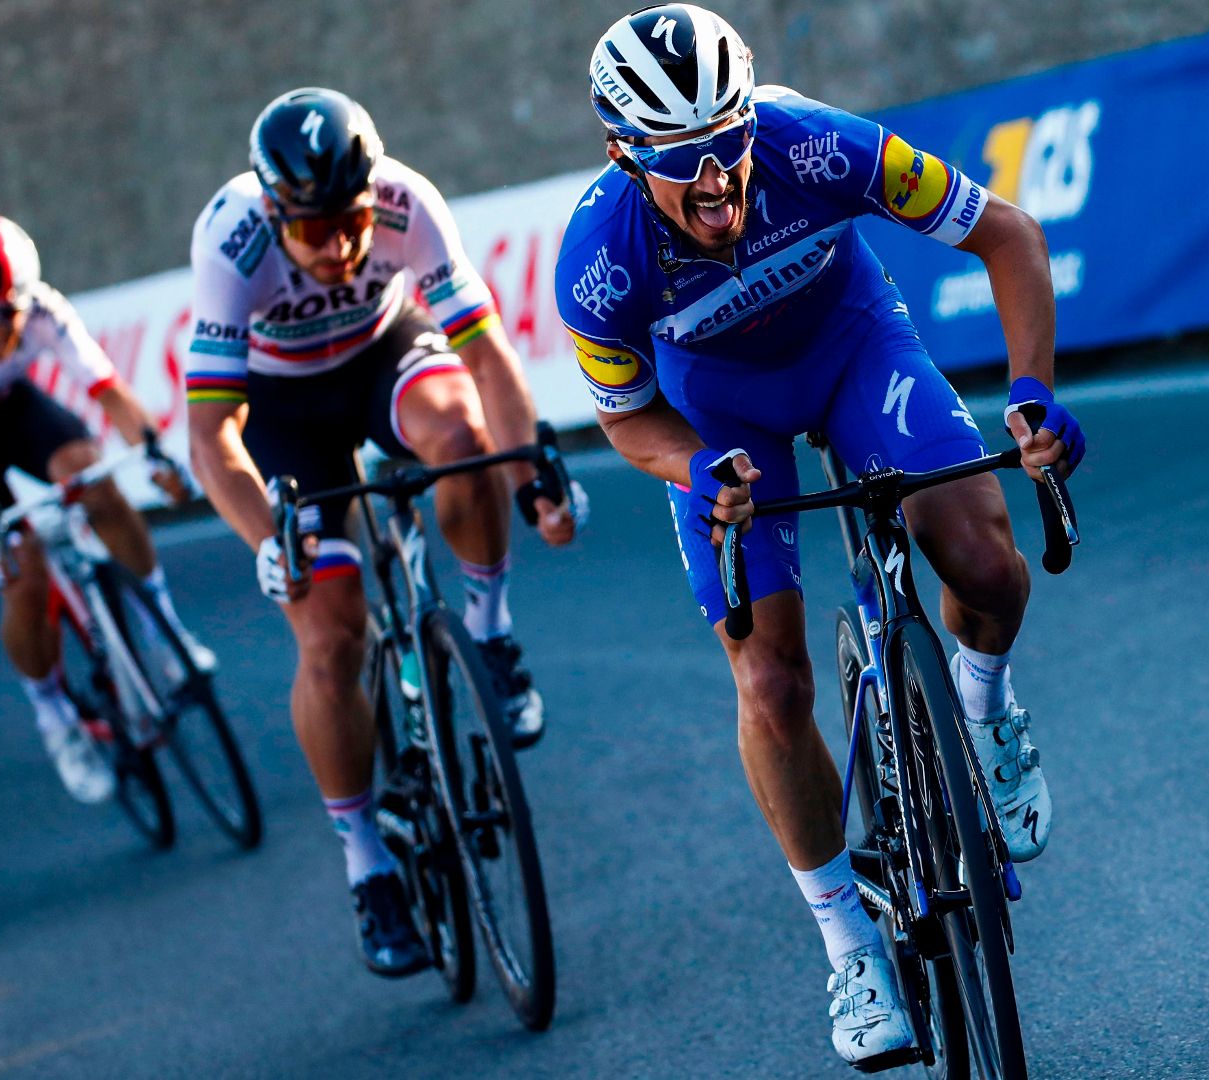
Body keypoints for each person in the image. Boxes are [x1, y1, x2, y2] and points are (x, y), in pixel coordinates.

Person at [561, 5, 1086, 1065]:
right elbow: (625, 419)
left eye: (728, 142)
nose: (716, 180)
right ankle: (848, 942)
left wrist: (1032, 394)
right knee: (770, 681)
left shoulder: (815, 145)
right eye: (680, 161)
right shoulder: (598, 264)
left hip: (853, 350)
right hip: (720, 419)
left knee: (986, 562)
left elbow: (1010, 235)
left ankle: (985, 709)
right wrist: (694, 468)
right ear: (624, 156)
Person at [184, 87, 583, 978]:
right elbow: (210, 436)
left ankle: (489, 633)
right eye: (314, 228)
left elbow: (487, 357)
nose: (339, 246)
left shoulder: (407, 200)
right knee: (330, 634)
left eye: (353, 221)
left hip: (383, 353)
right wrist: (268, 541)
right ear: (275, 213)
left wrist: (531, 482)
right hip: (281, 407)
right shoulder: (232, 240)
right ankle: (367, 862)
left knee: (464, 440)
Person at [0, 213, 206, 805]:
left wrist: (155, 454)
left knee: (94, 479)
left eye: (9, 313)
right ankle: (54, 715)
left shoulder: (43, 309)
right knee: (22, 570)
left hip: (9, 408)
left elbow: (108, 391)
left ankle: (166, 637)